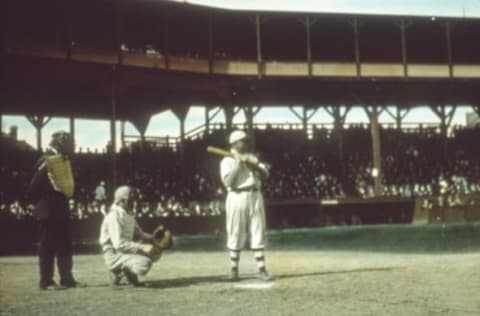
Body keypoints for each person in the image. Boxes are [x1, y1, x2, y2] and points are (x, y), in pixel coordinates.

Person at [26, 131, 84, 290]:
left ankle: (67, 279)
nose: (73, 146)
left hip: (61, 207)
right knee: (48, 245)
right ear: (60, 144)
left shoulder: (64, 161)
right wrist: (33, 204)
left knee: (65, 244)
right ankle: (46, 282)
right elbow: (33, 187)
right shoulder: (46, 160)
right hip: (48, 208)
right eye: (70, 143)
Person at [219, 130, 273, 282]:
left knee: (258, 230)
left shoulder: (252, 157)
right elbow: (228, 183)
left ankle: (262, 270)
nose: (246, 143)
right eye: (243, 140)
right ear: (234, 143)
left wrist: (253, 165)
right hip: (237, 196)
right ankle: (234, 270)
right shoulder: (226, 161)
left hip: (255, 195)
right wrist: (237, 164)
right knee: (235, 231)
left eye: (246, 140)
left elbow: (266, 175)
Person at [99, 186, 163, 287]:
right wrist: (142, 247)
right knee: (144, 263)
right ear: (122, 201)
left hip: (124, 251)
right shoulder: (114, 216)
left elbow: (141, 235)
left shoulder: (128, 215)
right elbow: (118, 244)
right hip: (113, 254)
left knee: (157, 250)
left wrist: (155, 238)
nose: (135, 202)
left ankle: (126, 272)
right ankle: (118, 272)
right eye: (132, 199)